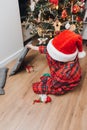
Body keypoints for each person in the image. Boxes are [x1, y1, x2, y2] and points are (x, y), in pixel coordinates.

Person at [26, 29, 86, 97]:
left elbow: (54, 84)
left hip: (67, 81)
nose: (49, 53)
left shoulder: (66, 72)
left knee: (55, 89)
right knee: (50, 59)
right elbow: (47, 50)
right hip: (61, 75)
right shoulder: (66, 56)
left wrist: (44, 85)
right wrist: (33, 47)